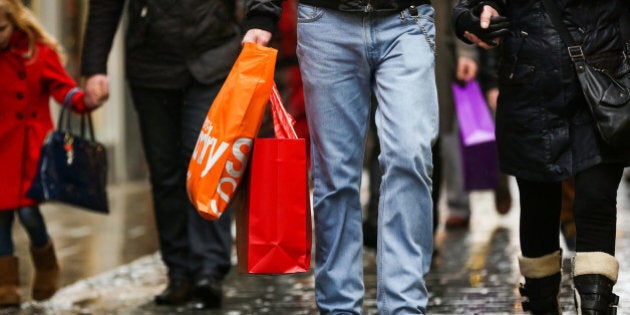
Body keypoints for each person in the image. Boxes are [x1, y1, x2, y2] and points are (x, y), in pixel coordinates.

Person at [81, 0, 281, 309]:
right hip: (151, 65)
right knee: (165, 173)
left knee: (205, 162)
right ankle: (179, 271)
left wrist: (258, 22)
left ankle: (208, 269)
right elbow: (104, 7)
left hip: (212, 57)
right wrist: (94, 67)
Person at [453, 1, 630, 313]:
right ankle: (542, 305)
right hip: (529, 87)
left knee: (596, 199)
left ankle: (595, 307)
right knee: (538, 207)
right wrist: (474, 18)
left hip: (602, 82)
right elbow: (470, 8)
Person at [295, 0, 439, 312]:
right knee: (334, 175)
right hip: (326, 20)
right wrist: (261, 12)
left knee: (410, 155)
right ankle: (338, 307)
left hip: (406, 17)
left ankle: (404, 306)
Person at [0, 0, 97, 308]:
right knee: (0, 219)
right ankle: (6, 285)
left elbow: (63, 88)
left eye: (0, 28)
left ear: (15, 23)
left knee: (28, 212)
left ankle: (46, 265)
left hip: (31, 151)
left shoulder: (39, 53)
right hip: (1, 150)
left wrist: (85, 100)